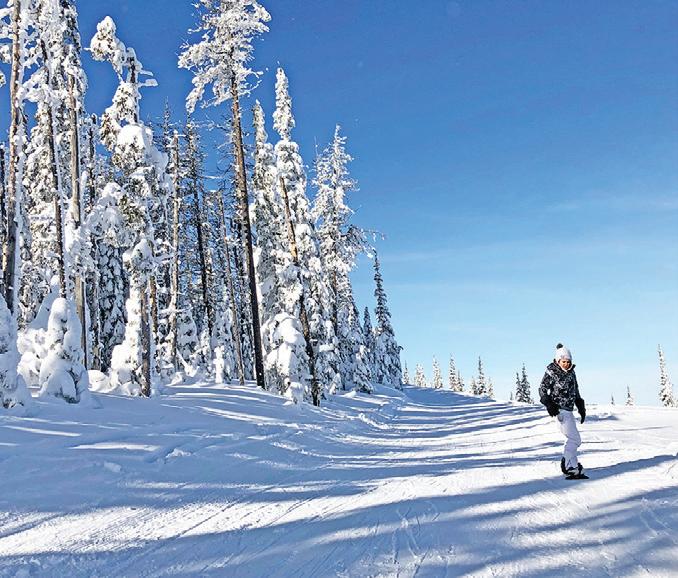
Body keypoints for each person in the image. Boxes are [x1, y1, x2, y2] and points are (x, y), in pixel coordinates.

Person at [539, 343, 587, 479]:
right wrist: (549, 404)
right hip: (559, 410)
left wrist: (580, 406)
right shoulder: (552, 371)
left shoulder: (571, 373)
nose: (566, 364)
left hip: (568, 410)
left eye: (568, 362)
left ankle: (573, 466)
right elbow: (542, 389)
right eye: (563, 362)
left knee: (572, 438)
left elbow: (575, 390)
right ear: (558, 360)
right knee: (574, 439)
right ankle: (567, 465)